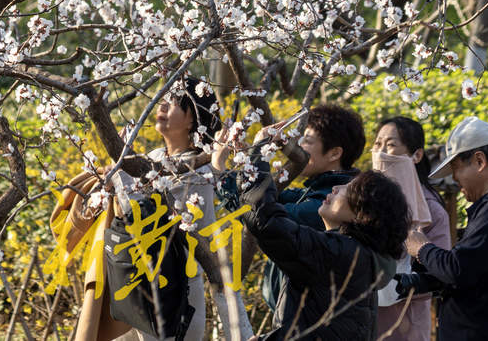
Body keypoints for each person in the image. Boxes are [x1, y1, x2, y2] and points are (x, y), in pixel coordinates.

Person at [110, 77, 253, 341]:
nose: (161, 107)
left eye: (172, 103)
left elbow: (140, 213)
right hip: (143, 277)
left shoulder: (201, 170)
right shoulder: (153, 159)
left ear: (192, 120)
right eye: (161, 100)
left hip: (176, 288)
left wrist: (120, 168)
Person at [214, 104, 367, 310]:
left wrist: (221, 168)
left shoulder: (329, 205)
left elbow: (261, 215)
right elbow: (263, 198)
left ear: (334, 153)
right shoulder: (316, 192)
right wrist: (247, 161)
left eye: (307, 141)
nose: (299, 145)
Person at [403, 116, 488, 341]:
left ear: (479, 161)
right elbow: (476, 271)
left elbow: (458, 270)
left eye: (456, 169)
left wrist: (421, 247)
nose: (455, 180)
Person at [236, 166, 410, 340]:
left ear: (364, 215)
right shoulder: (357, 256)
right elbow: (315, 327)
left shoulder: (344, 255)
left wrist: (254, 163)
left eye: (348, 189)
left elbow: (268, 224)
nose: (336, 188)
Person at [372, 117, 451, 341]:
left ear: (416, 155)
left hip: (405, 324)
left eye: (390, 145)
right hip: (366, 320)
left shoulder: (431, 211)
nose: (380, 152)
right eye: (377, 144)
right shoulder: (364, 200)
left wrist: (400, 282)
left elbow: (438, 273)